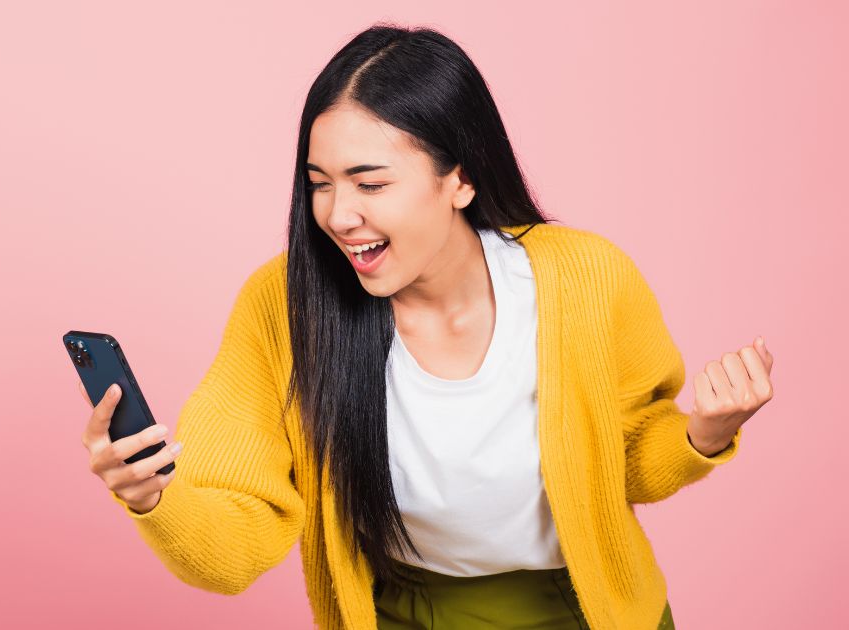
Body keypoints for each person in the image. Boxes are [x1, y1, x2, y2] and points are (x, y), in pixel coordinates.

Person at [79, 23, 775, 630]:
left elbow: (624, 457)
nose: (338, 215)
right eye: (320, 182)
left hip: (587, 610)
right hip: (403, 615)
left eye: (370, 183)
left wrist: (703, 433)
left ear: (459, 180)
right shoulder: (285, 307)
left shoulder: (586, 279)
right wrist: (158, 498)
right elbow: (232, 546)